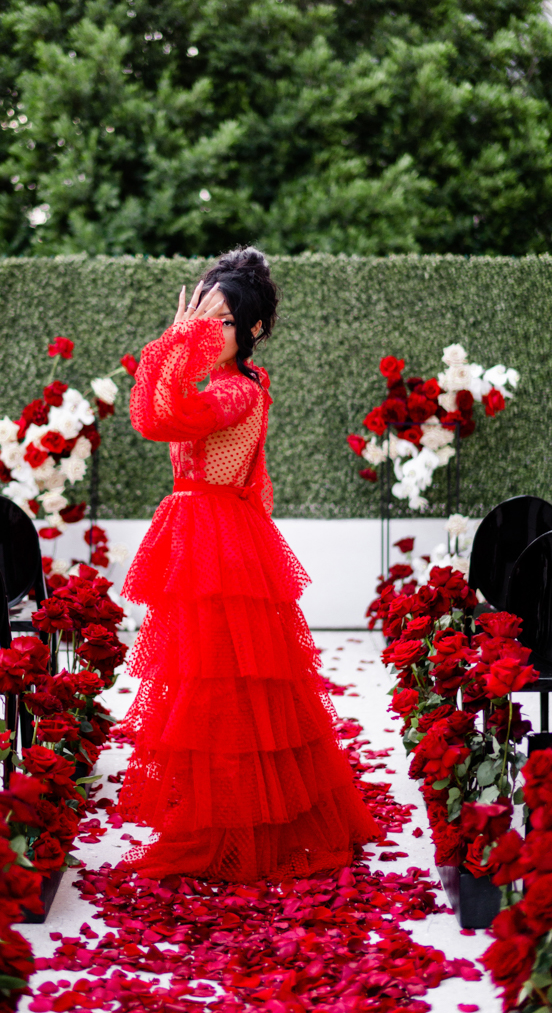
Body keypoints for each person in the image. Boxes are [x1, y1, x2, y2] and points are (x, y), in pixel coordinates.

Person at [117, 247, 378, 881]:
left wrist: (177, 342)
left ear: (255, 329)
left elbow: (161, 419)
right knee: (202, 680)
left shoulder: (238, 390)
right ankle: (218, 809)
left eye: (225, 320)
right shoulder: (218, 383)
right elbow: (159, 414)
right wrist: (183, 342)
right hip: (200, 535)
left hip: (217, 544)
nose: (211, 331)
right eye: (205, 316)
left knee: (225, 683)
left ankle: (240, 822)